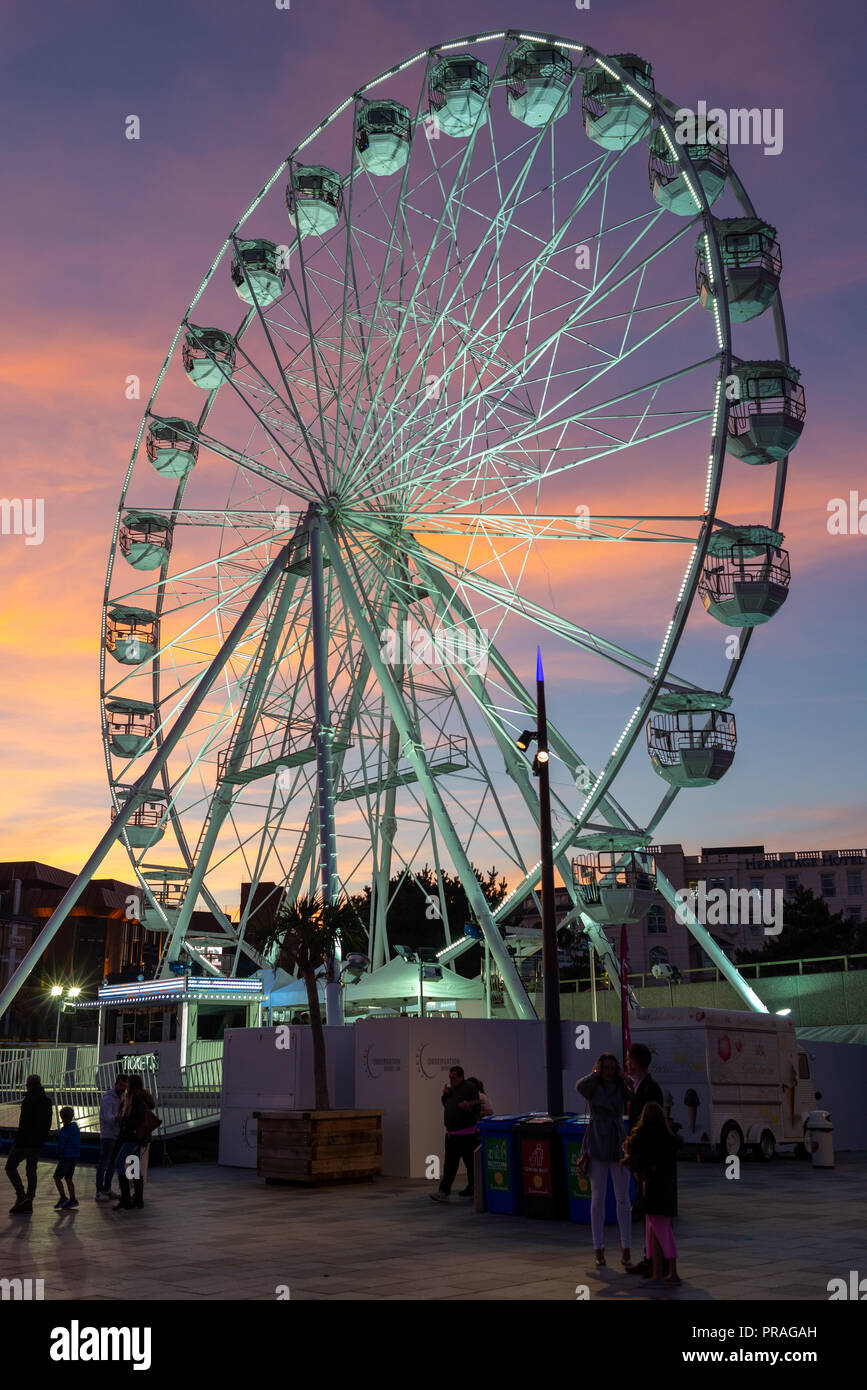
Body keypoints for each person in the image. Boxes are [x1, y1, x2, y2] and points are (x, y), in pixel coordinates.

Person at [575, 1053, 632, 1268]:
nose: (609, 1072)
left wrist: (623, 1076)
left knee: (622, 1197)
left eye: (612, 1068)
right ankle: (598, 1248)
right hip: (598, 1141)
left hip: (616, 1140)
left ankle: (626, 1248)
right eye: (605, 1068)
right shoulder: (593, 1085)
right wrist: (595, 1073)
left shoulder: (620, 1086)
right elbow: (579, 1086)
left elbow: (632, 1093)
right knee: (597, 1197)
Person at [621, 1101, 682, 1285]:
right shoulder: (669, 1139)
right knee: (659, 1230)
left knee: (659, 1231)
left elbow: (638, 1161)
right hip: (667, 1191)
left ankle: (668, 1273)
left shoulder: (646, 1137)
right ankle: (660, 1272)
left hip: (652, 1190)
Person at [624, 1041, 665, 1277]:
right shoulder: (639, 1087)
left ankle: (657, 1261)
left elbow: (651, 1127)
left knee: (650, 1209)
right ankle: (650, 1257)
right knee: (648, 1211)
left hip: (647, 1157)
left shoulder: (650, 1089)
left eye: (629, 1059)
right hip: (641, 1155)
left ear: (637, 1062)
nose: (627, 1063)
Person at [430, 1066, 480, 1203]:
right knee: (449, 1165)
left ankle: (476, 1189)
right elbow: (447, 1104)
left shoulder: (469, 1088)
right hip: (452, 1135)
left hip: (466, 1135)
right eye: (450, 1077)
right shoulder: (451, 1089)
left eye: (453, 1078)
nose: (451, 1080)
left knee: (471, 1164)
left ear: (461, 1076)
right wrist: (445, 1095)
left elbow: (477, 1105)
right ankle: (444, 1191)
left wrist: (469, 1107)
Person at [6, 1074, 53, 1214]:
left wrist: (18, 1142)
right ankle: (29, 1200)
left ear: (28, 1085)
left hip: (24, 1141)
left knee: (10, 1167)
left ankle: (21, 1195)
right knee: (31, 1170)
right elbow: (47, 1123)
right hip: (37, 1143)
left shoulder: (28, 1101)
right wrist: (42, 1140)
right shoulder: (46, 1101)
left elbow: (24, 1124)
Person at [114, 1075, 148, 1211]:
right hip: (137, 1138)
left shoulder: (134, 1099)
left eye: (128, 1083)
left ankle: (126, 1198)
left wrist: (126, 1125)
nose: (126, 1085)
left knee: (119, 1163)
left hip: (131, 1137)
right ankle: (138, 1199)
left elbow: (136, 1118)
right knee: (134, 1166)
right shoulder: (139, 1098)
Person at [96, 1072, 128, 1202]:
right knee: (104, 1163)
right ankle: (99, 1191)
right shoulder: (109, 1098)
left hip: (116, 1133)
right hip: (108, 1134)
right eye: (121, 1085)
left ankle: (107, 1189)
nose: (123, 1088)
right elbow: (106, 1116)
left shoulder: (121, 1097)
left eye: (125, 1086)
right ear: (116, 1084)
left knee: (112, 1163)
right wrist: (117, 1119)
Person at [53, 1107, 81, 1210]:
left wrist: (58, 1152)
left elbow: (62, 1144)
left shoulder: (65, 1130)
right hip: (74, 1156)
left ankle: (63, 1197)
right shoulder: (75, 1127)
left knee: (57, 1177)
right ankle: (72, 1199)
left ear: (62, 1117)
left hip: (66, 1156)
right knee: (68, 1178)